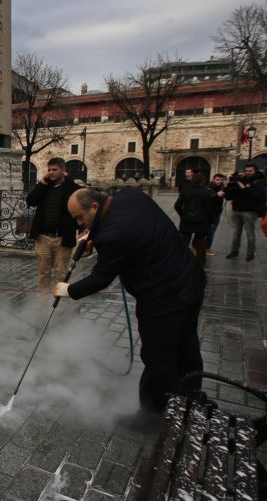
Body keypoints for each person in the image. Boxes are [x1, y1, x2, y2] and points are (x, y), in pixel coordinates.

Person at [56, 188, 206, 419]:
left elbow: (100, 278)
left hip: (164, 295)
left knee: (159, 356)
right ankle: (190, 394)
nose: (79, 223)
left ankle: (152, 414)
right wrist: (94, 234)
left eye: (80, 217)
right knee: (186, 342)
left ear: (94, 207)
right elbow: (131, 231)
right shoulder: (130, 196)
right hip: (190, 278)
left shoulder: (113, 235)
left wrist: (69, 290)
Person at [26, 157, 81, 293]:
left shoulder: (74, 189)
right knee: (43, 273)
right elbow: (31, 201)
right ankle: (41, 303)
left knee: (61, 274)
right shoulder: (44, 187)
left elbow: (82, 211)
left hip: (63, 239)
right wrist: (42, 183)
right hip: (43, 237)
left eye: (54, 170)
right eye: (49, 169)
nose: (51, 172)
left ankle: (58, 305)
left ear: (63, 171)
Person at [224, 163, 267, 261]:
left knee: (249, 233)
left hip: (250, 211)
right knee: (236, 232)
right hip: (237, 209)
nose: (248, 173)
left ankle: (250, 253)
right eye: (246, 171)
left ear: (254, 170)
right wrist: (229, 187)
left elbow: (256, 195)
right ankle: (234, 251)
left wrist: (243, 187)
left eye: (250, 171)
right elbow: (230, 195)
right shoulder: (240, 179)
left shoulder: (259, 181)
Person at [174, 171, 214, 266]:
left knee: (184, 241)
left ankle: (181, 260)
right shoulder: (205, 192)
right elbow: (209, 209)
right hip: (201, 220)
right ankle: (201, 261)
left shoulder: (185, 191)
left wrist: (183, 215)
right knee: (200, 242)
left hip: (187, 219)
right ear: (202, 181)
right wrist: (210, 221)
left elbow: (177, 205)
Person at [205, 174, 227, 256]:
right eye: (217, 179)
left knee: (209, 231)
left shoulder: (221, 187)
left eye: (221, 180)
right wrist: (219, 192)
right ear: (213, 179)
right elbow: (214, 195)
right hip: (210, 213)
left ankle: (198, 245)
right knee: (210, 231)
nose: (219, 181)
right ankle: (206, 248)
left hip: (217, 211)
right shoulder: (209, 187)